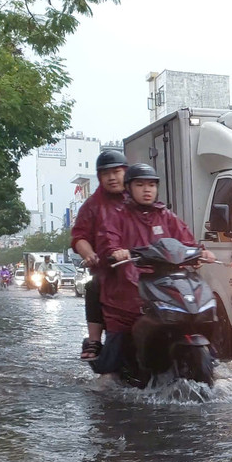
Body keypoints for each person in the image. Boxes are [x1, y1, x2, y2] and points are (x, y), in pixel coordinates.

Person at [92, 163, 212, 375]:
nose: (147, 190)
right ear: (128, 188)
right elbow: (108, 241)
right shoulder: (116, 216)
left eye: (151, 185)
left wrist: (200, 252)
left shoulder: (166, 216)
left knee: (202, 314)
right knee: (110, 365)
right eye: (140, 185)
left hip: (167, 285)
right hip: (126, 292)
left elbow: (187, 241)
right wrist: (116, 251)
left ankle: (209, 359)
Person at [71, 149, 129, 360]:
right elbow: (79, 237)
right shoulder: (92, 206)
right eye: (106, 173)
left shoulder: (138, 200)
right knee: (94, 286)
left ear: (126, 172)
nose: (112, 177)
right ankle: (94, 339)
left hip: (142, 267)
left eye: (116, 171)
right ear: (99, 177)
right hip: (109, 269)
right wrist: (89, 254)